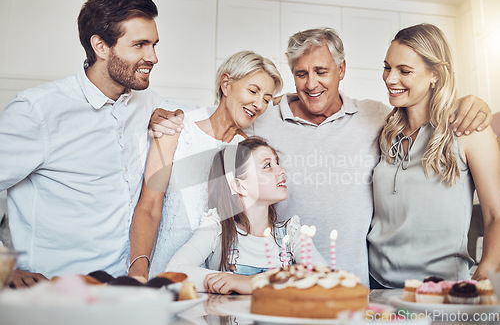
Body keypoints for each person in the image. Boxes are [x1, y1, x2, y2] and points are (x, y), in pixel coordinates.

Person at [150, 27, 491, 287]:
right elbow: (219, 121)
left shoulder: (377, 117)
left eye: (321, 71)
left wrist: (472, 102)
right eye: (301, 73)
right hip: (283, 283)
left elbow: (431, 114)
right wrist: (167, 117)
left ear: (341, 70)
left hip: (360, 284)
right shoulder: (265, 117)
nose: (311, 84)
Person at [0, 0, 184, 288]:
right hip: (50, 297)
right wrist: (4, 266)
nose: (153, 57)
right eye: (140, 44)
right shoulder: (38, 111)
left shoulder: (149, 102)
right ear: (100, 46)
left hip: (120, 292)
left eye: (154, 44)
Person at [128, 51, 283, 280]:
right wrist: (138, 269)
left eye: (267, 99)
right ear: (226, 84)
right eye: (253, 91)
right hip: (159, 272)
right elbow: (149, 206)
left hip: (211, 283)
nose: (259, 104)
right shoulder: (174, 131)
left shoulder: (248, 153)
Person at [367, 24, 500, 288]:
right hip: (377, 284)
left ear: (434, 75)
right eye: (387, 67)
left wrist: (486, 271)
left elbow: (496, 215)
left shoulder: (469, 129)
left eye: (404, 71)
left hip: (441, 289)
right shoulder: (384, 131)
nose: (390, 79)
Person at [165, 137, 327, 294]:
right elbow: (173, 272)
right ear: (239, 185)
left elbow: (323, 276)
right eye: (268, 165)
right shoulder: (216, 229)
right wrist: (232, 280)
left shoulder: (292, 234)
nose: (282, 170)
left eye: (277, 163)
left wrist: (253, 283)